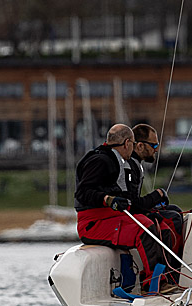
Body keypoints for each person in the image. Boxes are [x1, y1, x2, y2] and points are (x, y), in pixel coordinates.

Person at [74, 124, 179, 294]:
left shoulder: (115, 159)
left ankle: (166, 278)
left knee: (163, 228)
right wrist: (107, 199)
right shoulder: (100, 160)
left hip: (110, 217)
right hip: (92, 223)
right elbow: (82, 192)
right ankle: (152, 284)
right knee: (145, 228)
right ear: (127, 143)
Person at [129, 123, 185, 255]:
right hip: (129, 215)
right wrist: (157, 195)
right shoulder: (130, 166)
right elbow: (133, 204)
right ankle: (174, 265)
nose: (156, 149)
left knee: (175, 210)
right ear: (140, 146)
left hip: (135, 211)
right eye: (154, 145)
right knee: (173, 218)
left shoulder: (136, 164)